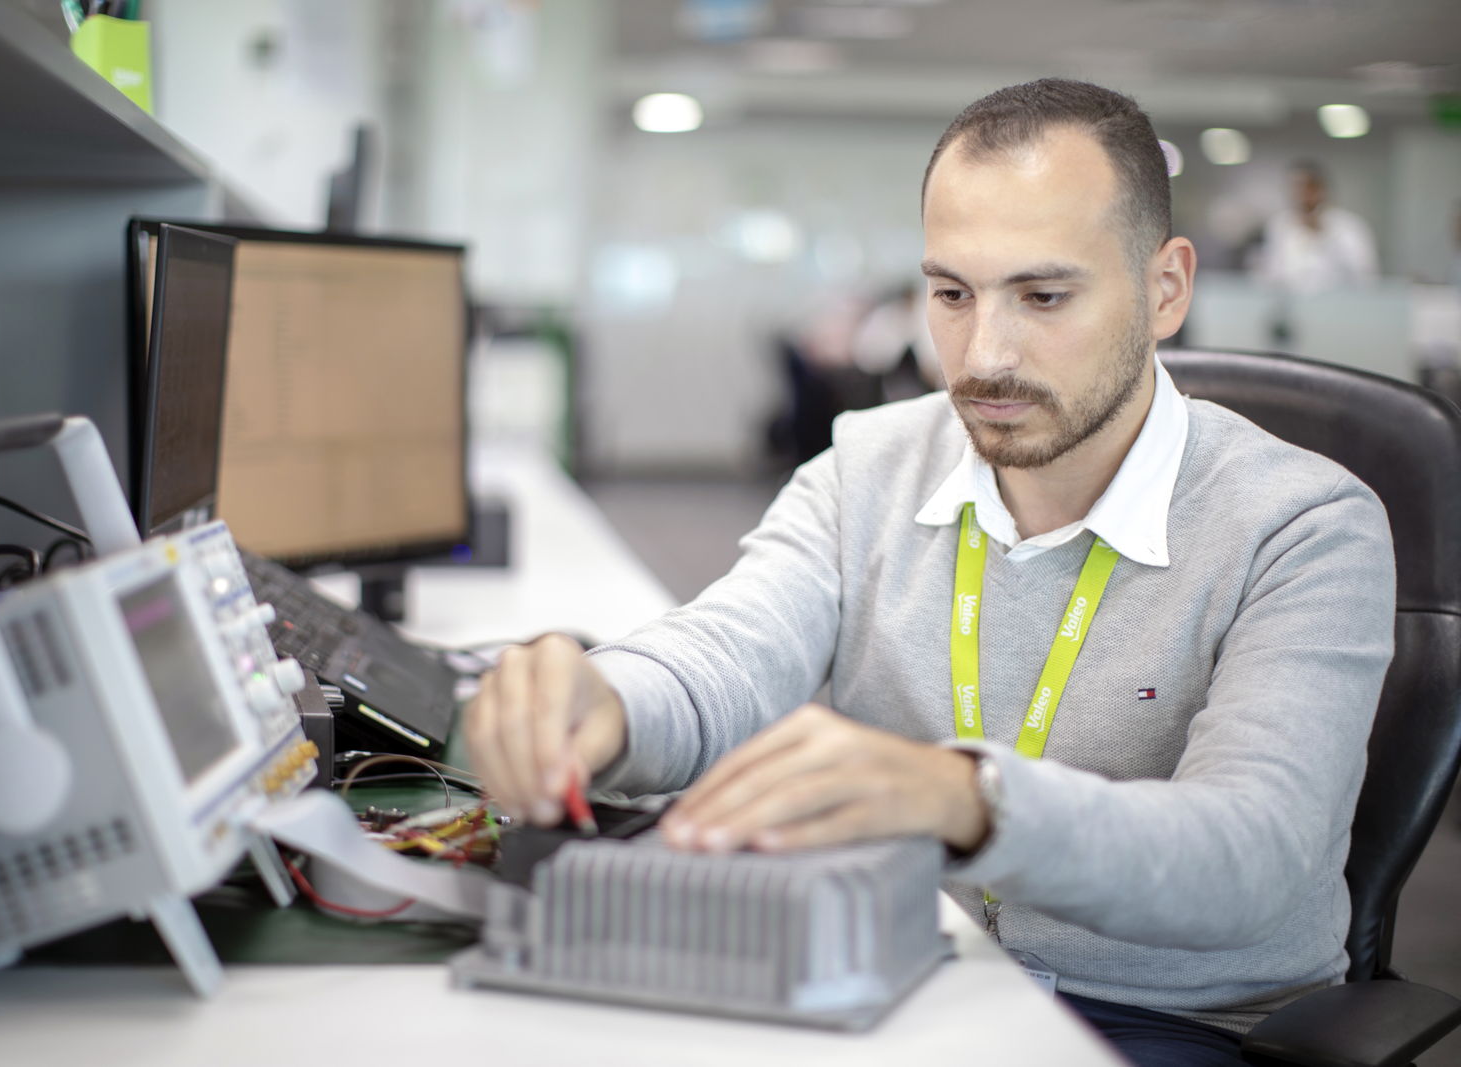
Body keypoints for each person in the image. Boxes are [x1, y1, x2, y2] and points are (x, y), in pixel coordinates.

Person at [465, 79, 1395, 1067]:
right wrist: (602, 697)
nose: (982, 356)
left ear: (1165, 288)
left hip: (1170, 1022)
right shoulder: (866, 463)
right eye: (951, 293)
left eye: (1043, 296)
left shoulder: (1305, 524)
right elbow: (725, 654)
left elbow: (1249, 852)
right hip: (907, 974)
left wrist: (964, 799)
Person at [1252, 160, 1379, 293]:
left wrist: (1322, 234)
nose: (1301, 195)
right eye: (1295, 187)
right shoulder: (1279, 225)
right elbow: (1269, 274)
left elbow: (1366, 277)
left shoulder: (1349, 227)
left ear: (1322, 189)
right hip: (1291, 307)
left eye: (1308, 187)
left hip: (1339, 305)